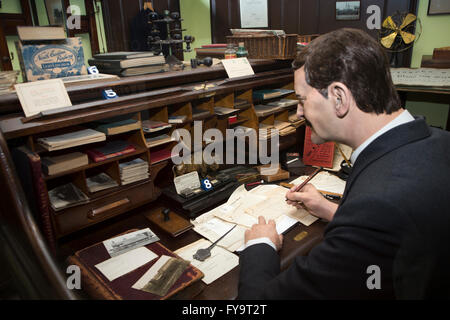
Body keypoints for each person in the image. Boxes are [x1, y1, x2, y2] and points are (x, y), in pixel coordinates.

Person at [238, 28, 450, 299]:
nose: (298, 112)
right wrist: (330, 210)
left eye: (302, 100)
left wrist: (260, 244)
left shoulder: (377, 205)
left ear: (339, 97)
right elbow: (405, 233)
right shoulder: (440, 141)